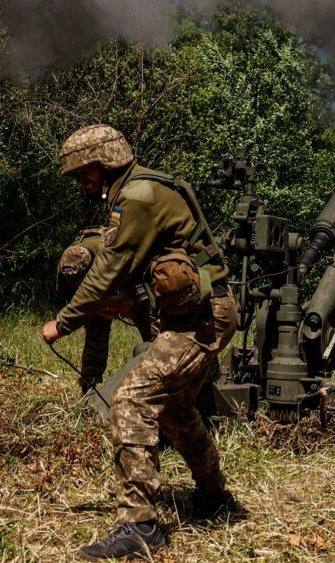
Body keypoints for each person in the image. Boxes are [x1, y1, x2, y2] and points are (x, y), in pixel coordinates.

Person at [41, 124, 242, 560]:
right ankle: (214, 497)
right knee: (174, 408)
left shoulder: (138, 196)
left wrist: (63, 322)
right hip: (199, 313)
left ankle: (141, 526)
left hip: (203, 318)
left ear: (105, 160)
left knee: (130, 400)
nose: (82, 183)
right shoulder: (133, 192)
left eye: (84, 172)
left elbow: (109, 269)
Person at [56, 227, 153, 395]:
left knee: (152, 331)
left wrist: (128, 300)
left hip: (129, 280)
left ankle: (163, 377)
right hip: (101, 291)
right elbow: (73, 301)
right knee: (95, 333)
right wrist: (97, 308)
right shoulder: (65, 269)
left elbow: (141, 274)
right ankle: (89, 386)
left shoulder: (113, 251)